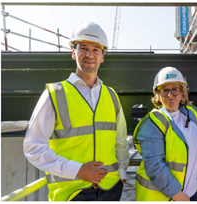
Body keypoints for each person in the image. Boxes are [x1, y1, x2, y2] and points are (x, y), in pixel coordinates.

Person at [23, 22, 129, 201]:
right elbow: (33, 147)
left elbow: (120, 141)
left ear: (103, 56)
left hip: (111, 188)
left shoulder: (111, 96)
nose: (89, 54)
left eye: (96, 49)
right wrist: (77, 170)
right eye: (83, 48)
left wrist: (122, 173)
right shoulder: (54, 94)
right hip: (72, 191)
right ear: (74, 53)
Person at [133, 67, 197, 201]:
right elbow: (154, 166)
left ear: (182, 92)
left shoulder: (190, 114)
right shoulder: (152, 123)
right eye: (165, 90)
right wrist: (179, 196)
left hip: (190, 193)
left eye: (175, 89)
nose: (170, 95)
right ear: (158, 94)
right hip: (166, 197)